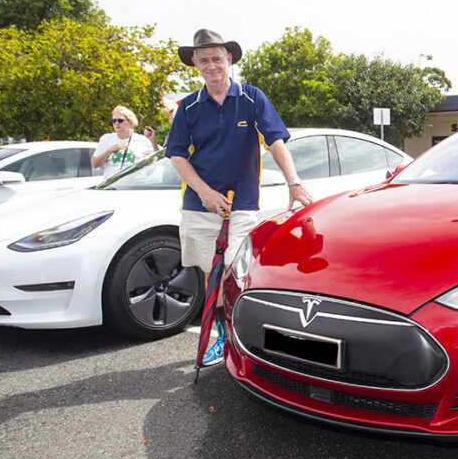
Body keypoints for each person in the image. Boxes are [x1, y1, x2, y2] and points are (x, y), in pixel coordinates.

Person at [166, 29, 313, 366]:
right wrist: (204, 192)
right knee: (210, 273)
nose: (212, 65)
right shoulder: (188, 106)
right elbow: (176, 155)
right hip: (200, 205)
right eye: (204, 60)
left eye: (217, 58)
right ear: (195, 64)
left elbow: (275, 140)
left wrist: (294, 180)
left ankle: (238, 334)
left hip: (243, 202)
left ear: (229, 59)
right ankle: (219, 338)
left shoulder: (251, 97)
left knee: (233, 269)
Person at [92, 106, 161, 180]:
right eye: (114, 121)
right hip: (111, 187)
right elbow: (95, 164)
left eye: (120, 120)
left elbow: (158, 160)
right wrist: (110, 150)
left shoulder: (142, 140)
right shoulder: (106, 139)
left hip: (133, 186)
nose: (116, 123)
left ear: (131, 123)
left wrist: (153, 141)